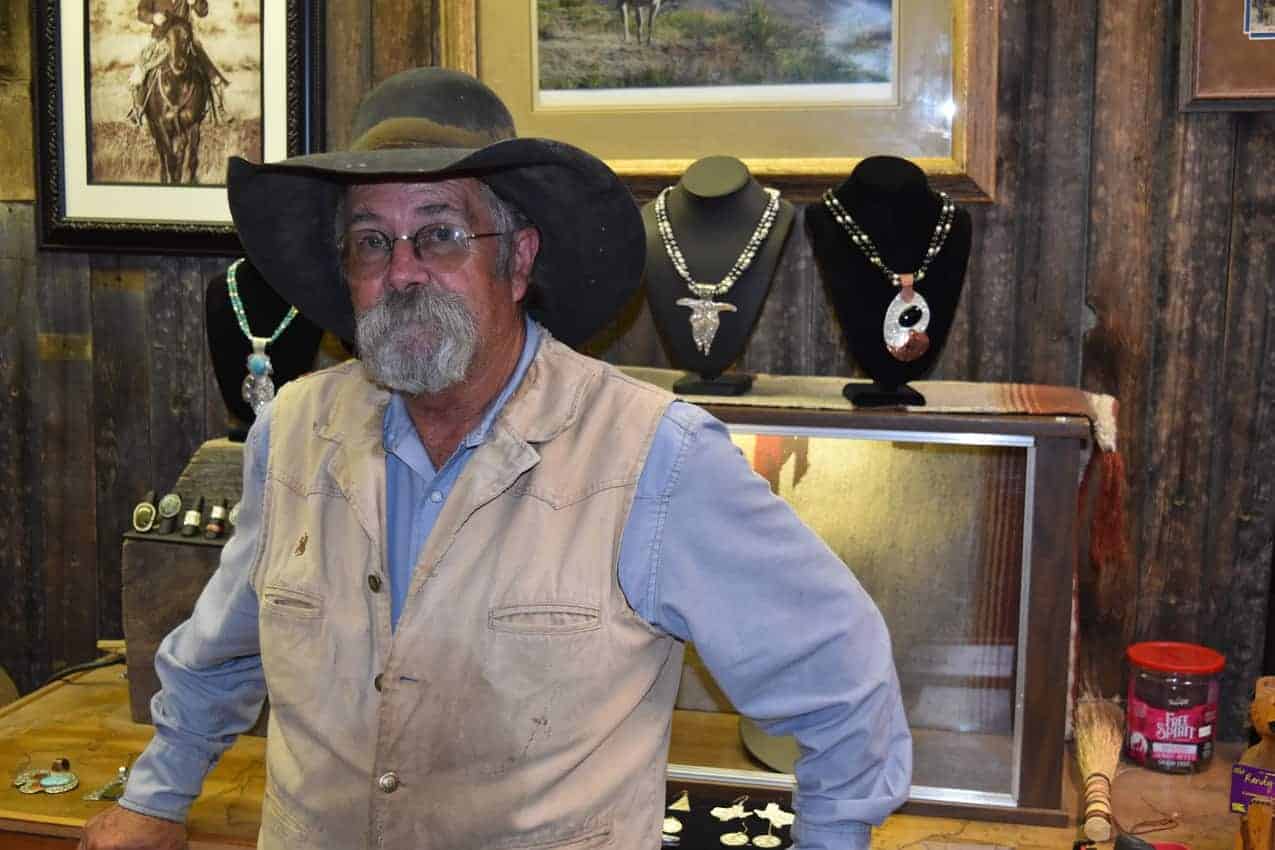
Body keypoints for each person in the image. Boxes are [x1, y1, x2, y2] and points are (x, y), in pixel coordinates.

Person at [81, 67, 910, 850]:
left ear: (516, 260)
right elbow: (224, 646)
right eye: (372, 243)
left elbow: (839, 686)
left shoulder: (652, 456)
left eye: (438, 235)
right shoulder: (292, 431)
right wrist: (155, 795)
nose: (401, 272)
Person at [127, 0, 229, 127]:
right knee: (142, 68)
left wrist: (195, 3)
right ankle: (138, 108)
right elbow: (141, 12)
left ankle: (219, 107)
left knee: (209, 70)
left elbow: (203, 11)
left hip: (184, 39)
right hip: (161, 39)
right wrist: (153, 17)